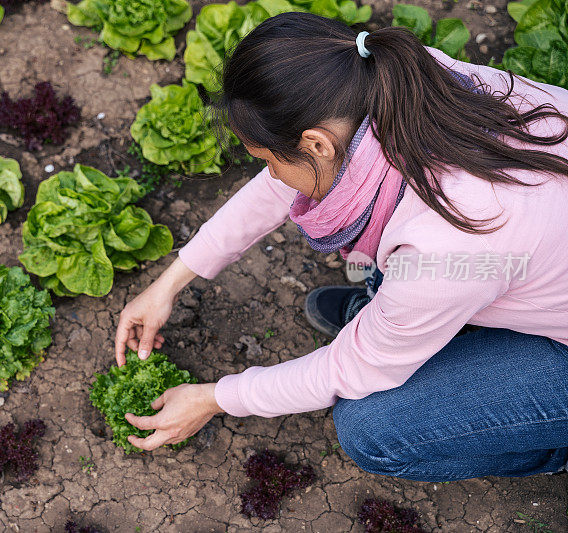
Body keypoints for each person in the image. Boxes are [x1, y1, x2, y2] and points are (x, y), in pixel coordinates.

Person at [114, 12, 568, 482]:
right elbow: (287, 184)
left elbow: (352, 368)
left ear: (316, 143)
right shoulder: (403, 79)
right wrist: (170, 282)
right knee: (385, 261)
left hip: (496, 282)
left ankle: (550, 447)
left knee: (373, 428)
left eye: (269, 160)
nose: (270, 174)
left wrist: (213, 397)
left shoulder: (446, 249)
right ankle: (418, 325)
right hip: (519, 259)